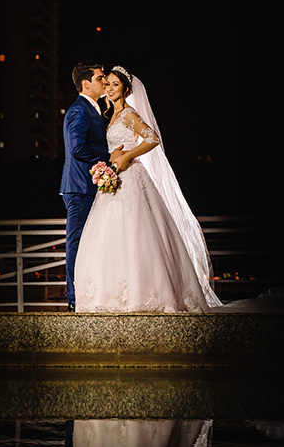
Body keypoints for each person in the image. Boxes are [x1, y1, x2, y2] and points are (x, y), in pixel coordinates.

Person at [73, 66, 224, 313]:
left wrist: (127, 157)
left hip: (131, 177)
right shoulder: (109, 115)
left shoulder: (128, 114)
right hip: (112, 181)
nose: (110, 89)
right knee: (110, 236)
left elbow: (153, 138)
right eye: (107, 84)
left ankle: (143, 294)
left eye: (115, 85)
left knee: (136, 234)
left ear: (126, 89)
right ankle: (111, 295)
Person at [59, 62, 125, 311]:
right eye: (100, 79)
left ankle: (90, 294)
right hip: (79, 187)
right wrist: (109, 156)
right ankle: (74, 299)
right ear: (86, 84)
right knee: (76, 242)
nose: (105, 83)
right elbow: (77, 148)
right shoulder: (79, 110)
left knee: (92, 242)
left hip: (90, 186)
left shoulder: (94, 109)